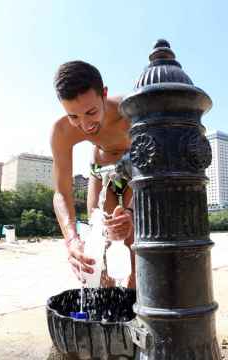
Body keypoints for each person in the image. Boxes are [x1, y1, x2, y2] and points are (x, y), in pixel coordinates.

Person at [50, 61, 135, 288]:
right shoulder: (62, 131)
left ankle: (134, 310)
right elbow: (61, 193)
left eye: (91, 112)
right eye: (74, 116)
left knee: (132, 245)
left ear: (104, 94)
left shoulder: (132, 111)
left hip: (138, 172)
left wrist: (131, 213)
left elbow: (156, 162)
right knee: (99, 249)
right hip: (101, 172)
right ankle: (106, 315)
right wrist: (71, 240)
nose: (85, 125)